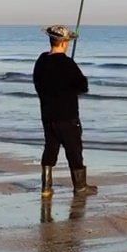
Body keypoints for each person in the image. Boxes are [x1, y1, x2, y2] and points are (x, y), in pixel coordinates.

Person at [32, 25, 96, 196]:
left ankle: (46, 187)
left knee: (51, 147)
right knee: (74, 149)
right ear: (64, 43)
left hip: (47, 114)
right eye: (67, 41)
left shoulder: (41, 60)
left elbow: (38, 83)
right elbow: (83, 86)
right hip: (67, 115)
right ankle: (80, 186)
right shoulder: (67, 63)